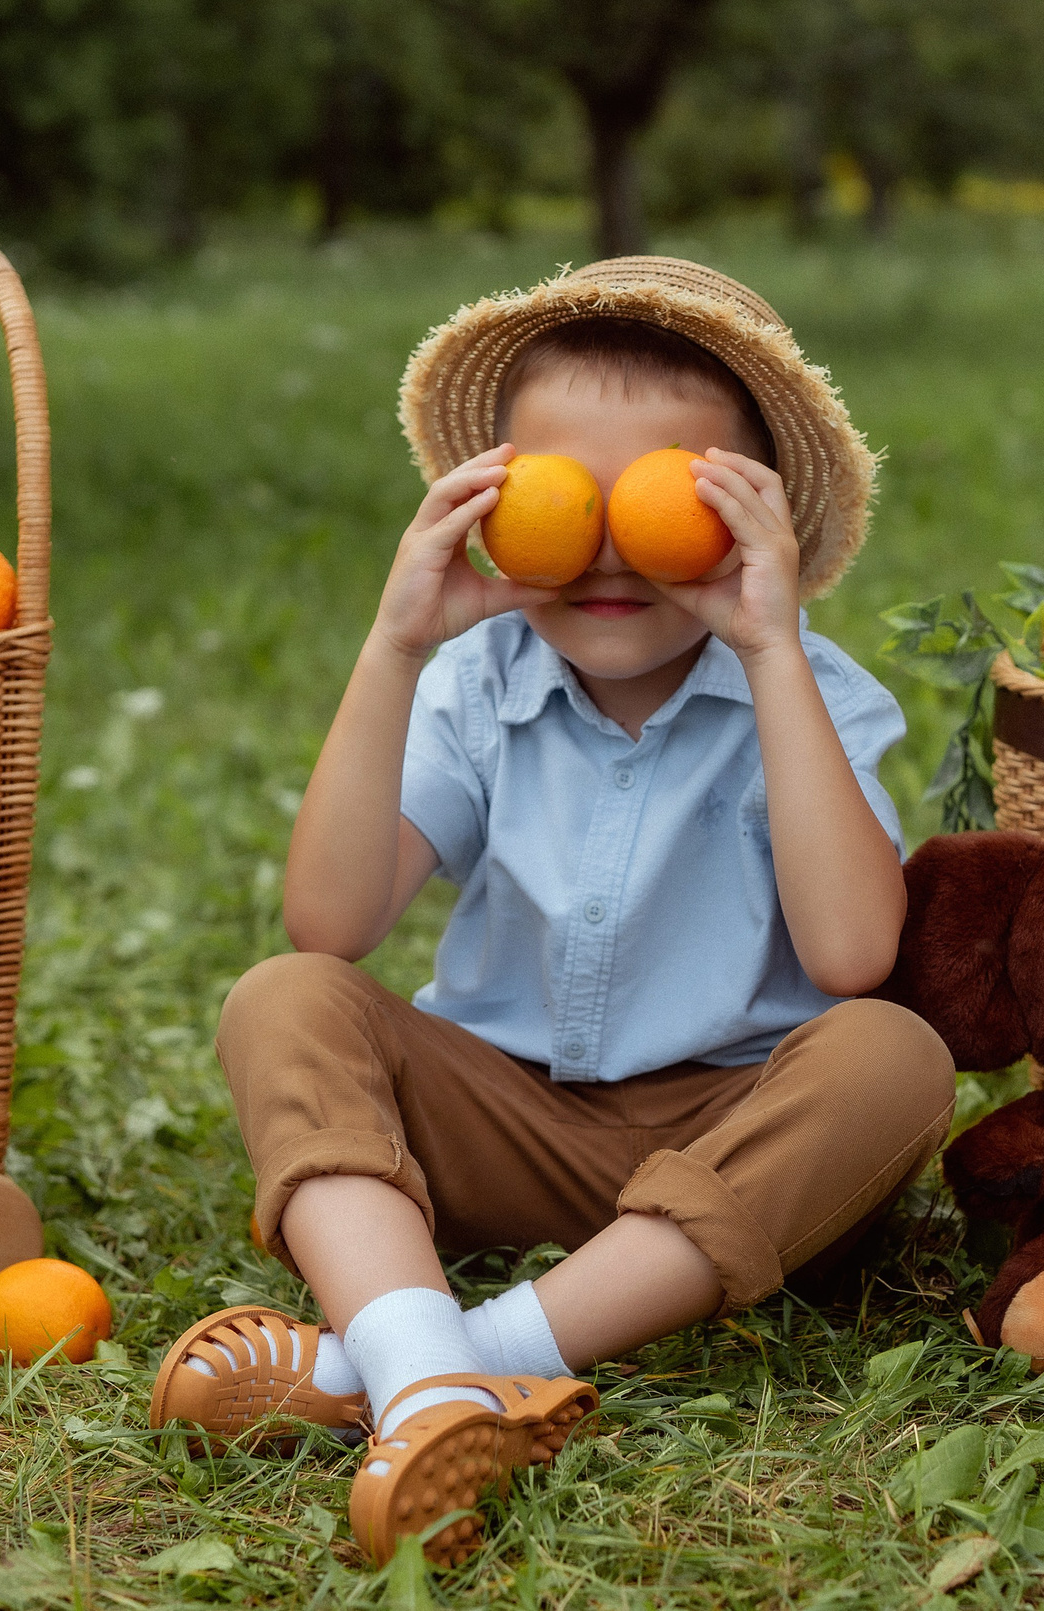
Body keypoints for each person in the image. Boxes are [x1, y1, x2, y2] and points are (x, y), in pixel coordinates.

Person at [148, 257, 955, 1566]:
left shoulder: (805, 691)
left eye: (665, 502)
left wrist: (768, 650)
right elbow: (331, 922)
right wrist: (397, 648)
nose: (611, 552)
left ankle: (434, 1366)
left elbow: (856, 953)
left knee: (896, 1055)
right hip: (503, 1120)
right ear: (498, 504)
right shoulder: (475, 681)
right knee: (283, 999)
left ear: (756, 524)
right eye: (563, 500)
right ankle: (432, 1378)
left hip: (733, 1131)